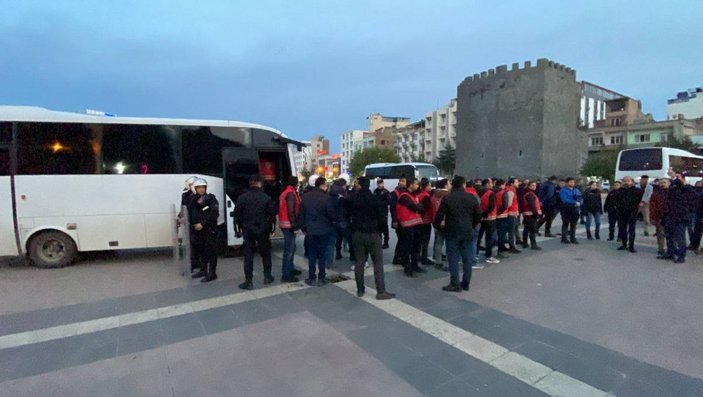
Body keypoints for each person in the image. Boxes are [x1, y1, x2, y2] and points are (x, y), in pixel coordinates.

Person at [347, 176, 396, 300]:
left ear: (359, 185)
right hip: (373, 233)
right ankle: (381, 291)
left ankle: (360, 289)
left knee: (359, 262)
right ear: (369, 185)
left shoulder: (353, 199)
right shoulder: (375, 199)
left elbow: (348, 213)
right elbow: (381, 217)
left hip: (358, 233)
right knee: (378, 263)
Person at [434, 175, 481, 292]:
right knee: (467, 258)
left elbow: (439, 215)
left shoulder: (448, 198)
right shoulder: (471, 197)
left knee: (453, 258)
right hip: (467, 231)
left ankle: (454, 283)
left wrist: (438, 226)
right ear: (463, 184)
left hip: (452, 231)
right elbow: (478, 214)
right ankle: (466, 283)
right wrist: (472, 225)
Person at [234, 175, 277, 290]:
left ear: (250, 184)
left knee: (248, 255)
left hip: (248, 230)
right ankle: (267, 276)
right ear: (259, 183)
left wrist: (238, 230)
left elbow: (236, 215)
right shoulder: (266, 198)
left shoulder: (242, 198)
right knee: (266, 254)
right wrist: (272, 229)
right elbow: (272, 216)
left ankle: (249, 280)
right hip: (263, 230)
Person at [298, 177, 338, 286]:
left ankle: (311, 277)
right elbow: (331, 214)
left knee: (312, 253)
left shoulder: (305, 197)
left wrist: (303, 227)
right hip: (324, 229)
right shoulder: (326, 198)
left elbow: (301, 214)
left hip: (310, 229)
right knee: (322, 254)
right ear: (322, 185)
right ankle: (321, 277)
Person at [189, 178, 220, 282]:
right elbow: (191, 213)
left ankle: (212, 273)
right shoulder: (193, 199)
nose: (201, 189)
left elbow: (214, 214)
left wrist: (202, 224)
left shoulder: (211, 198)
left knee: (211, 251)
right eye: (199, 187)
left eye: (203, 187)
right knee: (201, 251)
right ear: (195, 188)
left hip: (209, 230)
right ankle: (203, 270)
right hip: (197, 231)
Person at [663, 171, 696, 263]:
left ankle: (682, 256)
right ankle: (671, 253)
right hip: (670, 215)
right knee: (669, 236)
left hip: (680, 217)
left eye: (678, 177)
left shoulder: (687, 188)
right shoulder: (672, 189)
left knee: (680, 237)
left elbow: (682, 187)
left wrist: (674, 178)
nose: (676, 179)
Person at [396, 177, 426, 277]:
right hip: (407, 225)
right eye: (416, 184)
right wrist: (418, 207)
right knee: (407, 246)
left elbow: (421, 208)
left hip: (416, 224)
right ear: (410, 185)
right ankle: (407, 266)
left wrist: (418, 207)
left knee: (416, 246)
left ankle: (415, 264)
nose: (417, 186)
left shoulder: (414, 196)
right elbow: (415, 207)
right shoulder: (404, 196)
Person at [279, 176, 303, 282]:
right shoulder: (291, 193)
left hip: (285, 223)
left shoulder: (287, 191)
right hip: (289, 224)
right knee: (289, 250)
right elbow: (291, 211)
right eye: (297, 183)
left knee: (291, 248)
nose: (298, 185)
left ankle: (290, 268)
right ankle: (286, 274)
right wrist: (295, 226)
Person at [613, 176, 643, 253]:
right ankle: (624, 244)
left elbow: (641, 202)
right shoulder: (618, 191)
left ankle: (631, 246)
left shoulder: (638, 191)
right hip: (621, 213)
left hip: (632, 213)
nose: (626, 182)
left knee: (631, 230)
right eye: (624, 181)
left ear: (632, 182)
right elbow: (614, 201)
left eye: (628, 181)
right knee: (622, 230)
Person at [178, 176, 199, 273]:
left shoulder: (200, 195)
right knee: (190, 245)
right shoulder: (185, 195)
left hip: (197, 223)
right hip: (189, 223)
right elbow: (183, 208)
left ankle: (198, 264)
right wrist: (179, 217)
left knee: (197, 245)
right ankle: (191, 265)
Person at [478, 178, 500, 264]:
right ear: (487, 184)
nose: (492, 185)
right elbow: (491, 206)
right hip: (490, 218)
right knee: (489, 237)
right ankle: (488, 255)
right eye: (490, 183)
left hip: (481, 217)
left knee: (479, 236)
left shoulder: (478, 192)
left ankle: (475, 254)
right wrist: (485, 214)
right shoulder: (491, 193)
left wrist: (481, 215)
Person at [432, 179, 450, 269]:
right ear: (445, 185)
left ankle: (437, 259)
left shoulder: (434, 195)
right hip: (445, 221)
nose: (450, 185)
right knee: (448, 242)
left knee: (438, 241)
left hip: (436, 220)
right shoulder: (447, 195)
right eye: (449, 183)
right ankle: (447, 262)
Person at [416, 178, 435, 266]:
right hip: (425, 221)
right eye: (430, 185)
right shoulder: (426, 196)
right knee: (425, 241)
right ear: (426, 186)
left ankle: (418, 256)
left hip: (419, 221)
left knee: (419, 241)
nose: (431, 187)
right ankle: (424, 258)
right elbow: (425, 209)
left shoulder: (419, 194)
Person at [649, 178, 669, 258]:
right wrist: (652, 217)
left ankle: (671, 249)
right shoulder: (655, 194)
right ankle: (661, 249)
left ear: (669, 183)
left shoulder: (672, 193)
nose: (662, 184)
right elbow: (652, 206)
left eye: (664, 182)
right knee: (660, 233)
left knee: (671, 234)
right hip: (659, 217)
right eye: (660, 183)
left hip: (670, 216)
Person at [559, 177, 583, 244]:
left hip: (575, 209)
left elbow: (581, 198)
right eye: (571, 182)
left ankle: (573, 238)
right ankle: (564, 238)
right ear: (567, 183)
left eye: (573, 182)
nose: (572, 183)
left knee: (574, 224)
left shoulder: (576, 190)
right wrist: (574, 202)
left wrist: (580, 203)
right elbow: (565, 199)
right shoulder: (563, 190)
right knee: (566, 223)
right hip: (567, 208)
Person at [390, 177, 407, 264]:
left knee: (402, 239)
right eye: (400, 181)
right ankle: (398, 257)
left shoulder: (406, 192)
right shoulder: (395, 193)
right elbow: (392, 208)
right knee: (402, 239)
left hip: (404, 219)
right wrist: (394, 220)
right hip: (399, 219)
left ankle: (399, 257)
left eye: (403, 181)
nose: (401, 182)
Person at [521, 181, 543, 250]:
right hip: (531, 215)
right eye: (532, 185)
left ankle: (525, 243)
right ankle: (533, 245)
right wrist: (537, 214)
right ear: (529, 186)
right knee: (532, 230)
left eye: (535, 185)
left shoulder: (527, 193)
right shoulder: (530, 194)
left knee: (526, 229)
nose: (534, 187)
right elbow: (532, 206)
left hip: (527, 214)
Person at [373, 178, 391, 249]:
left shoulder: (386, 192)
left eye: (380, 183)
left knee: (384, 228)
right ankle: (379, 242)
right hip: (376, 212)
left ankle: (386, 242)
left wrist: (380, 203)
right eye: (378, 183)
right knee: (378, 229)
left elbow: (388, 201)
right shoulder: (375, 191)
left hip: (383, 213)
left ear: (383, 183)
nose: (379, 184)